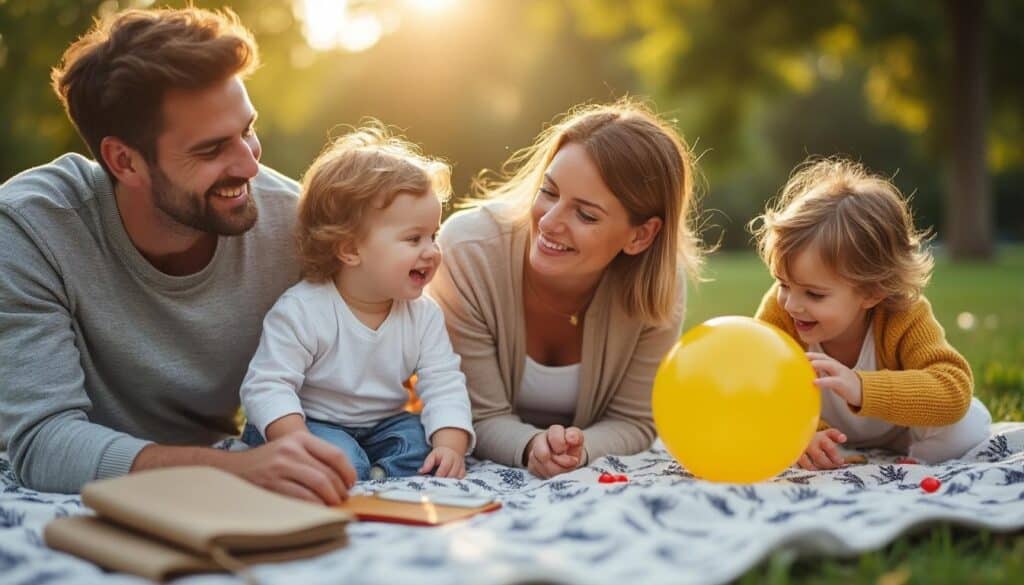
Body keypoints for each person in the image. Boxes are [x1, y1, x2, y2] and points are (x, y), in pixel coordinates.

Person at [0, 7, 357, 502]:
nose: (249, 164)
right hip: (66, 499)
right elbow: (43, 445)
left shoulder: (294, 226)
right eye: (211, 150)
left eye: (247, 130)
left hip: (223, 481)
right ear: (124, 161)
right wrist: (233, 471)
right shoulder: (32, 228)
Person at [429, 100, 704, 478]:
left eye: (586, 214)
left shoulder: (658, 287)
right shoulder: (468, 253)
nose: (550, 222)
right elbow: (476, 412)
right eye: (549, 191)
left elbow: (635, 421)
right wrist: (531, 447)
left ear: (641, 235)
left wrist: (579, 450)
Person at [238, 125, 475, 481]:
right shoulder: (304, 309)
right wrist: (298, 442)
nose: (432, 251)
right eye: (414, 238)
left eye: (433, 235)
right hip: (309, 421)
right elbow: (266, 385)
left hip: (383, 426)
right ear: (350, 249)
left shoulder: (423, 314)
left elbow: (443, 383)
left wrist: (450, 447)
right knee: (341, 456)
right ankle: (362, 471)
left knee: (420, 441)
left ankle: (375, 473)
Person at [751, 157, 991, 469]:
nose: (791, 303)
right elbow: (758, 383)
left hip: (900, 433)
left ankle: (911, 465)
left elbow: (952, 388)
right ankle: (826, 451)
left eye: (814, 294)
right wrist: (803, 432)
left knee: (969, 423)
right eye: (783, 283)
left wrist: (862, 387)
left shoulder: (903, 315)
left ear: (872, 292)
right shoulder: (780, 313)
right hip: (820, 432)